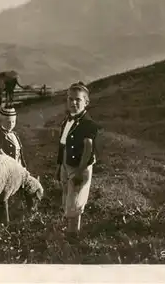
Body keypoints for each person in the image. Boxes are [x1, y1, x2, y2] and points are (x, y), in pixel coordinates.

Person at [56, 81, 101, 241]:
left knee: (76, 199)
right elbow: (63, 144)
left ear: (86, 103)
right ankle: (71, 228)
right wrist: (60, 165)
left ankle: (73, 234)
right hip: (67, 163)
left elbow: (88, 148)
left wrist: (81, 171)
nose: (73, 103)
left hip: (80, 165)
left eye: (78, 100)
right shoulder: (67, 121)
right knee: (68, 196)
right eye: (70, 99)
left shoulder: (88, 124)